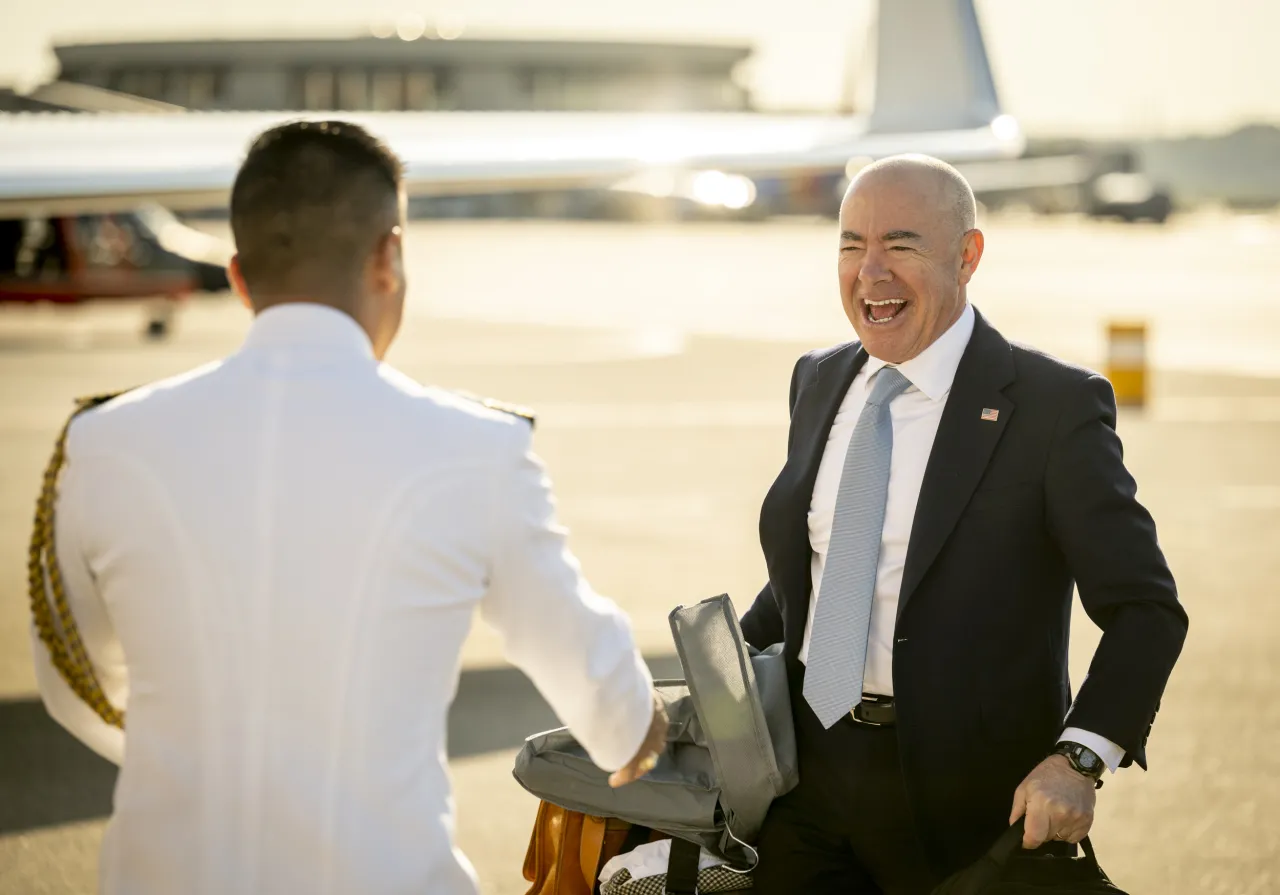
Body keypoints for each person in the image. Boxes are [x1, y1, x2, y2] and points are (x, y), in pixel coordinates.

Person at [28, 120, 666, 895]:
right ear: (389, 255)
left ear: (237, 275)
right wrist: (636, 728)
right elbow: (604, 696)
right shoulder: (475, 447)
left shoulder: (104, 442)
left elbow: (75, 686)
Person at [738, 154, 1188, 894]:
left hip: (966, 808)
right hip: (807, 783)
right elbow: (819, 572)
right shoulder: (818, 379)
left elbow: (1147, 609)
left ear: (967, 255)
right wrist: (701, 682)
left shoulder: (1052, 408)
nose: (870, 273)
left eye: (901, 245)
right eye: (851, 245)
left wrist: (1078, 759)